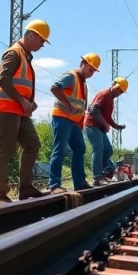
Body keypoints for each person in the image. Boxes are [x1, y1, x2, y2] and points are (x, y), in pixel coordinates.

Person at [0, 19, 50, 205]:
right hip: (6, 109)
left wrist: (29, 101)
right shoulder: (14, 53)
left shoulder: (25, 55)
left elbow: (19, 83)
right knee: (5, 150)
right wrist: (22, 100)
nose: (42, 45)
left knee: (32, 144)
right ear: (31, 35)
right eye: (41, 40)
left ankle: (25, 188)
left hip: (20, 110)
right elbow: (3, 79)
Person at [49, 53, 100, 192]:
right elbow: (55, 87)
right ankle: (54, 185)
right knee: (60, 149)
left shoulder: (82, 83)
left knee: (80, 149)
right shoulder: (71, 76)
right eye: (90, 69)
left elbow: (80, 105)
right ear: (83, 64)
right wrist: (67, 105)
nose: (91, 74)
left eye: (94, 71)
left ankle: (79, 182)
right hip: (62, 118)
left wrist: (80, 121)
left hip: (74, 122)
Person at [84, 77, 128, 186]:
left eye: (121, 92)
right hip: (92, 125)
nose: (119, 93)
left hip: (99, 128)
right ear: (113, 84)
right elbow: (93, 110)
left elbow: (108, 118)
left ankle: (105, 173)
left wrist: (117, 126)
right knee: (98, 149)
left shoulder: (111, 100)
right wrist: (104, 123)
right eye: (118, 89)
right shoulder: (103, 94)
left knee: (108, 150)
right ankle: (97, 177)